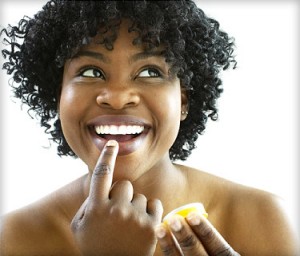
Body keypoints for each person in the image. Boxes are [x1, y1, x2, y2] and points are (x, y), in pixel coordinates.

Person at [0, 0, 298, 255]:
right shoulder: (15, 239)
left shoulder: (263, 220)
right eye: (91, 71)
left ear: (183, 101)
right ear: (58, 96)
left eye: (149, 72)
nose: (117, 98)